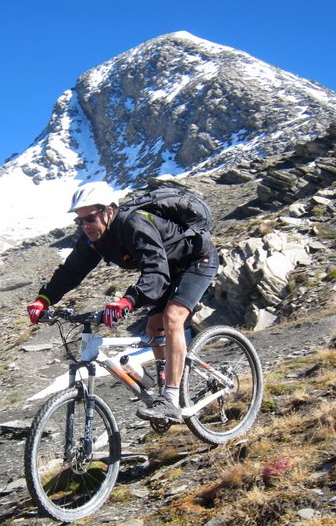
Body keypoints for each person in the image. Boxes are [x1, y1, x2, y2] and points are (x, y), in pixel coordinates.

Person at [26, 181, 219, 423]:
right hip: (167, 268)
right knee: (153, 328)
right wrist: (43, 300)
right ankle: (165, 383)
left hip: (196, 261)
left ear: (108, 210)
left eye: (90, 218)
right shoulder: (93, 239)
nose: (85, 225)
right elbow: (71, 272)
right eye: (80, 221)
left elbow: (155, 270)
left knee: (172, 318)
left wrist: (128, 301)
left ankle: (171, 398)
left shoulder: (134, 223)